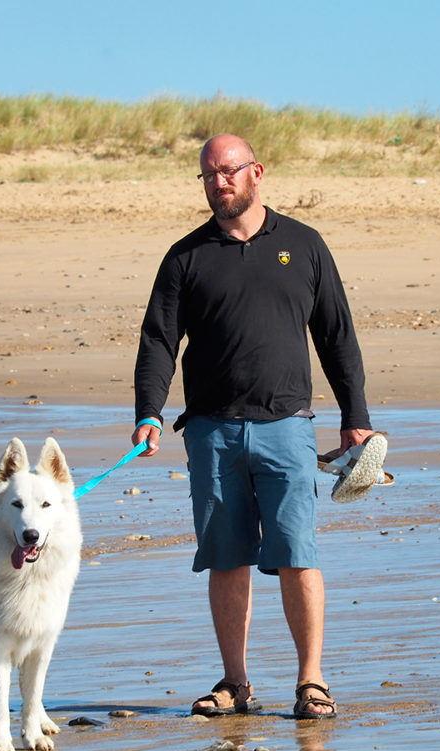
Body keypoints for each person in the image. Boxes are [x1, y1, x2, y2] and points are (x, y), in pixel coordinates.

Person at [131, 133, 375, 719]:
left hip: (287, 426)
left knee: (297, 553)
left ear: (256, 172)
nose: (220, 183)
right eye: (209, 175)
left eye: (229, 172)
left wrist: (356, 418)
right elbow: (158, 341)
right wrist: (148, 411)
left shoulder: (304, 245)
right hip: (212, 432)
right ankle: (234, 685)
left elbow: (336, 336)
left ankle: (311, 683)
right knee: (226, 557)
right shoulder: (186, 256)